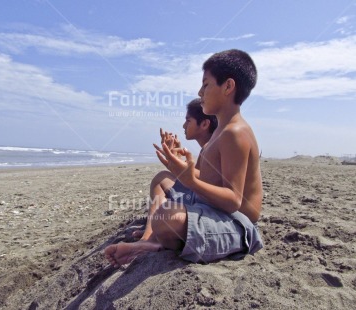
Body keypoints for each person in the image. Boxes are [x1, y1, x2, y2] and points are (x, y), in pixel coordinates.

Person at [105, 49, 263, 267]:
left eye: (206, 84)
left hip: (237, 222)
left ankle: (154, 244)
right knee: (163, 180)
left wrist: (191, 181)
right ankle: (149, 239)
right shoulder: (221, 131)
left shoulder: (235, 133)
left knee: (168, 216)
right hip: (213, 208)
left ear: (228, 86)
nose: (200, 92)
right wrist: (179, 167)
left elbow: (234, 200)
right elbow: (211, 179)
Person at [132, 98, 217, 239]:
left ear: (204, 124)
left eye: (188, 121)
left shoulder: (211, 147)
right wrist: (176, 159)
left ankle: (148, 236)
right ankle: (151, 230)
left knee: (161, 178)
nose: (184, 126)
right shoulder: (207, 148)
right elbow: (196, 175)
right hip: (200, 198)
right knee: (162, 177)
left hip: (205, 204)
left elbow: (204, 179)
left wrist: (176, 163)